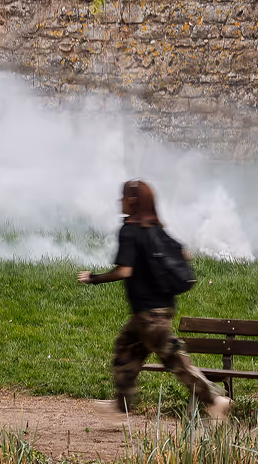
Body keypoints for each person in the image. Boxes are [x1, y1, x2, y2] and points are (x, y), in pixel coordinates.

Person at [78, 179, 230, 419]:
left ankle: (214, 399)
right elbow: (183, 252)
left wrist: (93, 278)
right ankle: (121, 405)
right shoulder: (155, 228)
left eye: (123, 196)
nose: (120, 200)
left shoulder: (130, 230)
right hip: (160, 309)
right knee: (125, 349)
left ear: (132, 201)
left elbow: (124, 271)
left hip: (149, 315)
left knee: (175, 360)